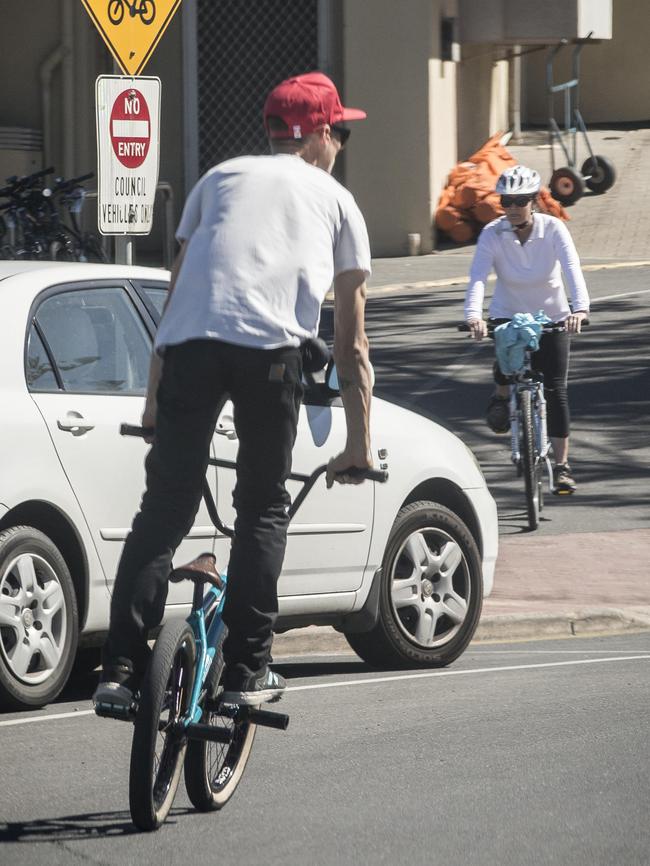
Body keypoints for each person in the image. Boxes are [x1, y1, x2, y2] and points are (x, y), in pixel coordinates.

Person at [93, 71, 373, 710]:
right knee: (261, 507)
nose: (341, 146)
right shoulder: (336, 201)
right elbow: (353, 342)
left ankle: (119, 672)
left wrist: (152, 406)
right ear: (322, 133)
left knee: (164, 509)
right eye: (343, 133)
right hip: (270, 357)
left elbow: (178, 294)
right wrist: (359, 445)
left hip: (189, 353)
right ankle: (249, 671)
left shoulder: (216, 179)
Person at [463, 164, 590, 494]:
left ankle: (561, 466)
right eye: (507, 201)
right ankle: (502, 395)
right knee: (507, 358)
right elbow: (478, 277)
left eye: (520, 200)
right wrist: (473, 316)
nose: (513, 208)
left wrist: (580, 309)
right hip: (508, 312)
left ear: (534, 200)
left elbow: (572, 268)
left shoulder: (553, 229)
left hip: (552, 314)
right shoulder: (492, 233)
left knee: (556, 390)